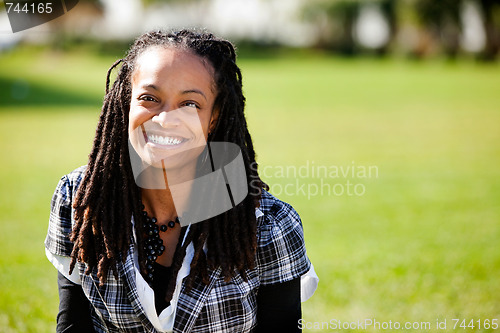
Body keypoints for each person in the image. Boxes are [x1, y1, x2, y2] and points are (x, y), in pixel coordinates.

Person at [45, 29, 318, 333]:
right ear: (126, 103)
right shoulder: (81, 200)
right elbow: (73, 325)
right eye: (150, 98)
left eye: (190, 104)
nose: (165, 119)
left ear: (214, 118)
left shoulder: (268, 226)